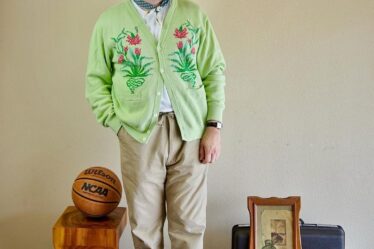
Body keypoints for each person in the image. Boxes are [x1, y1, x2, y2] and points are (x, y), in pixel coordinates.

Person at [85, 0, 226, 248]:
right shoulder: (109, 21)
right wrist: (118, 126)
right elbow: (96, 81)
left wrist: (213, 125)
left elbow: (213, 70)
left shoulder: (192, 14)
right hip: (138, 136)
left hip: (190, 134)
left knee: (190, 226)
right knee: (145, 228)